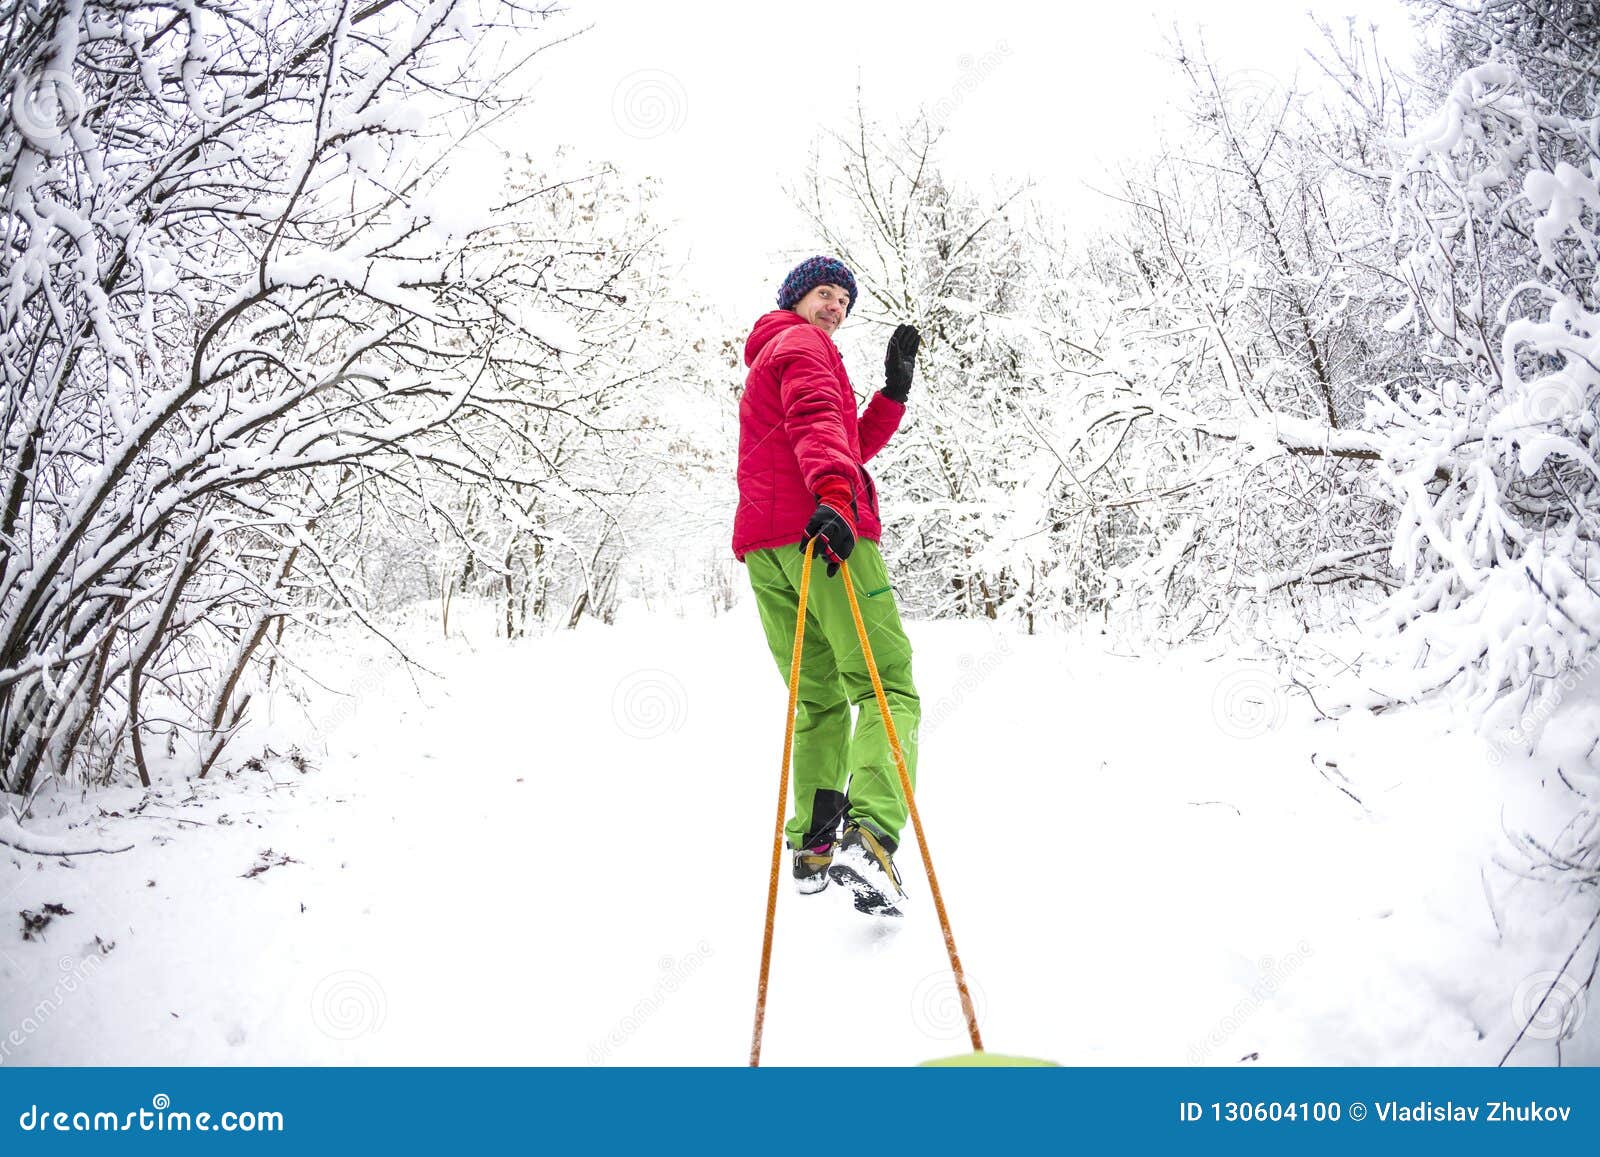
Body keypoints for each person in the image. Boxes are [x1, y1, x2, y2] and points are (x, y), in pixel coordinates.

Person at [732, 255, 922, 916]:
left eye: (844, 299)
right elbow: (820, 423)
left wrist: (891, 393)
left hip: (769, 549)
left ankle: (813, 847)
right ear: (794, 297)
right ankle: (868, 835)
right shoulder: (806, 346)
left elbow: (841, 436)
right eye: (824, 292)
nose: (835, 306)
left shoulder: (770, 353)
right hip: (825, 534)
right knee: (885, 685)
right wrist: (839, 502)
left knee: (816, 697)